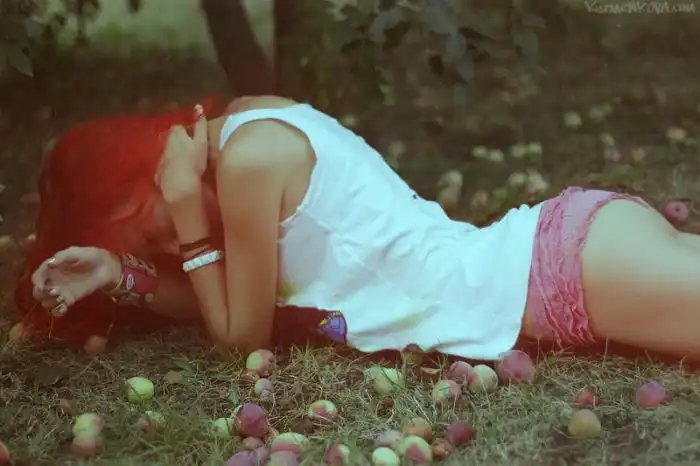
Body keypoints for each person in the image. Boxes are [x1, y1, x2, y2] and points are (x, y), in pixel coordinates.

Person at [14, 95, 700, 361]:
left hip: (559, 273)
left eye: (150, 235)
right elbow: (225, 299)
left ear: (147, 182)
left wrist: (188, 214)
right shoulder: (245, 136)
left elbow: (238, 336)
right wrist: (118, 272)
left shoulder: (250, 161)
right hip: (569, 258)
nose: (172, 250)